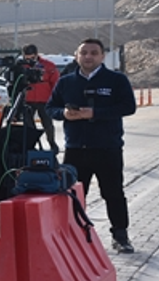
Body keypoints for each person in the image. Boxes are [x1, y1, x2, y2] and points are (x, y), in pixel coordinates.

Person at [46, 38, 136, 253]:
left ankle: (121, 236)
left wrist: (95, 113)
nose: (88, 57)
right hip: (76, 149)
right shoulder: (66, 82)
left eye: (93, 53)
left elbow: (128, 106)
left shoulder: (116, 80)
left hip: (108, 148)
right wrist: (64, 114)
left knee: (113, 193)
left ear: (102, 56)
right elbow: (51, 108)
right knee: (73, 195)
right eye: (84, 53)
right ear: (77, 56)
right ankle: (72, 235)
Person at [20, 44, 60, 152]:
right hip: (27, 99)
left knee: (47, 123)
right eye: (27, 58)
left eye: (32, 57)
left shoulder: (48, 65)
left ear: (36, 55)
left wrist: (54, 98)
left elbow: (55, 82)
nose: (29, 60)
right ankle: (31, 145)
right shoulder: (21, 66)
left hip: (44, 99)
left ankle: (52, 143)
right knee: (28, 125)